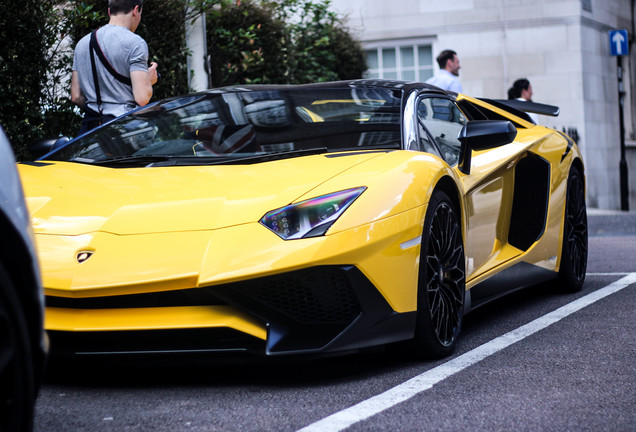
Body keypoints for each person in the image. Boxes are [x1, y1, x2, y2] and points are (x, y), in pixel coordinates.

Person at [70, 0, 159, 134]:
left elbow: (76, 96)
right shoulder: (135, 43)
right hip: (123, 130)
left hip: (89, 131)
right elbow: (142, 98)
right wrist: (148, 80)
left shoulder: (82, 43)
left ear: (109, 11)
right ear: (136, 10)